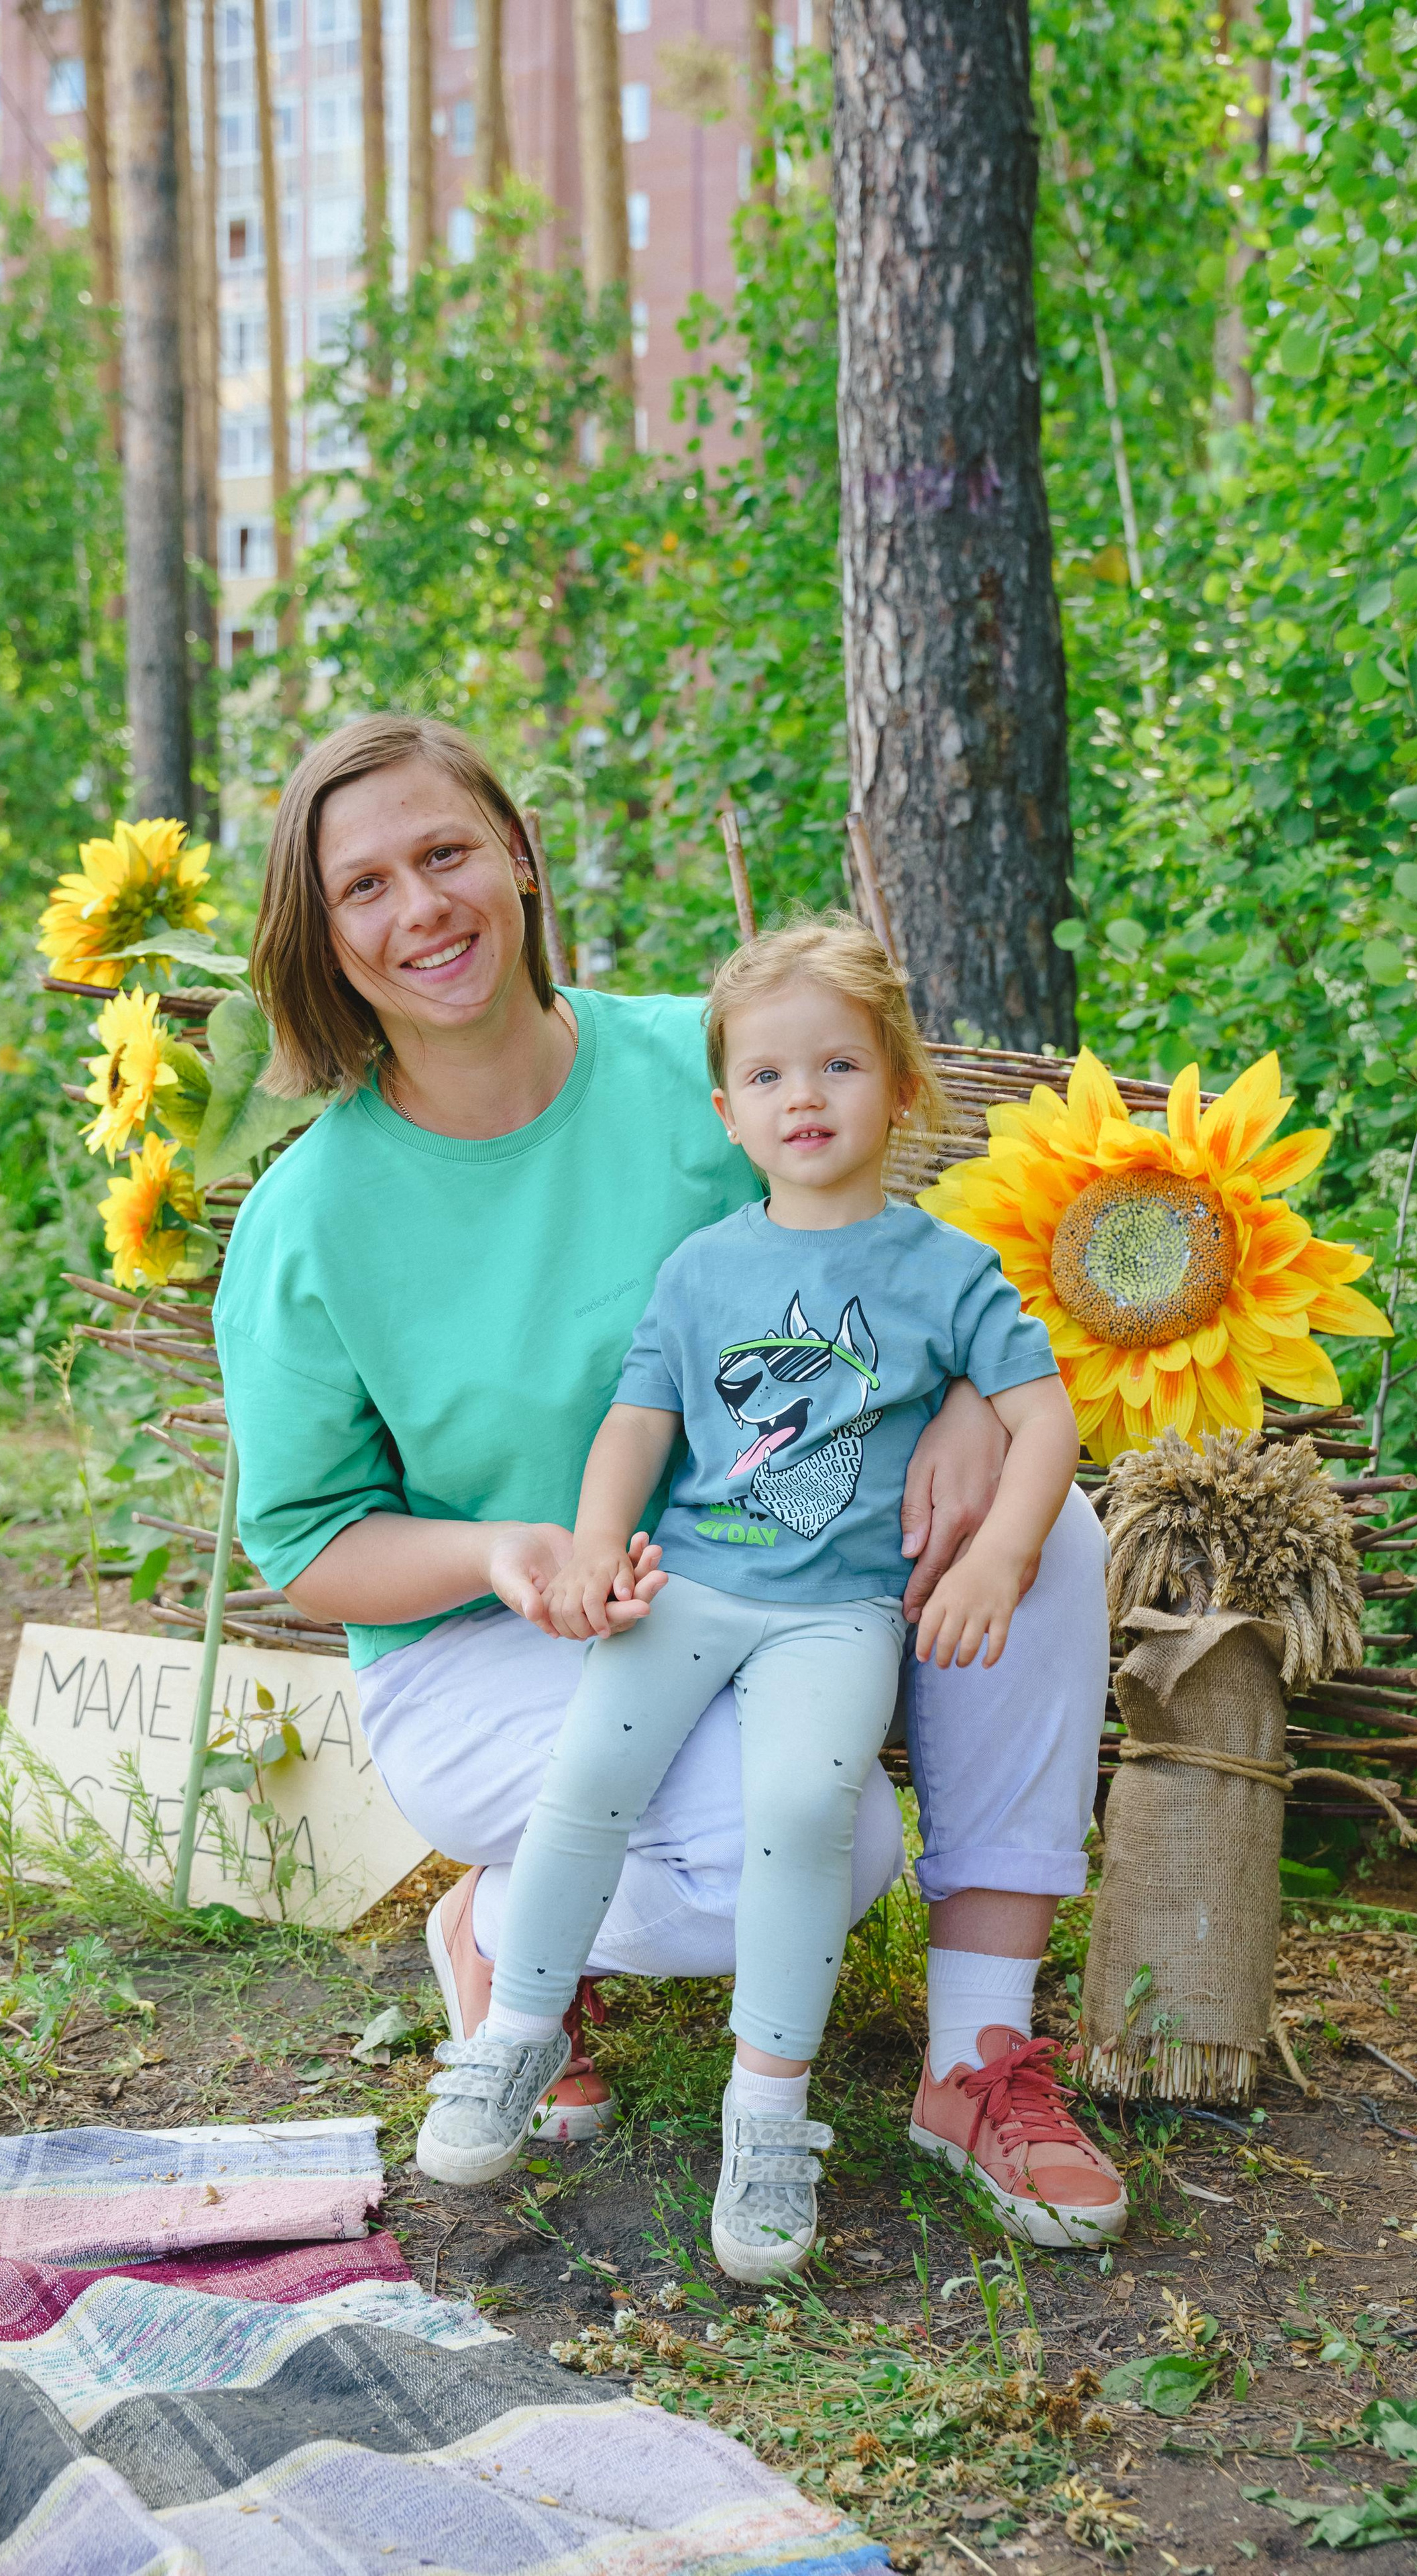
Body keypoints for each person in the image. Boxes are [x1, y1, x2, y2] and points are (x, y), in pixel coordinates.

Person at [212, 712, 1125, 2245]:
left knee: (1052, 1535)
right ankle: (503, 1933)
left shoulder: (692, 1070)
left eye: (443, 854)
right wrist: (502, 1553)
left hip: (770, 1569)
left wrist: (974, 1400)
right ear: (322, 934)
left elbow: (901, 1253)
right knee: (831, 1846)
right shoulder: (309, 1218)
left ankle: (976, 2056)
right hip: (489, 1642)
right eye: (363, 886)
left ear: (517, 856)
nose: (419, 908)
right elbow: (309, 1544)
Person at [412, 921, 1101, 2278]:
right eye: (770, 1076)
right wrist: (598, 1547)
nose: (805, 1098)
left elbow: (1045, 1420)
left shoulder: (943, 1270)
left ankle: (769, 2119)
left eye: (839, 1065)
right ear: (727, 1113)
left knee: (800, 1811)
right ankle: (513, 2034)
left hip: (836, 1616)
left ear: (899, 1089)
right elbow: (638, 1421)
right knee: (587, 1777)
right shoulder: (702, 1267)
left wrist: (998, 1558)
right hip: (692, 1586)